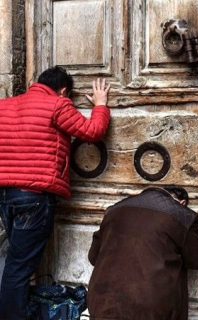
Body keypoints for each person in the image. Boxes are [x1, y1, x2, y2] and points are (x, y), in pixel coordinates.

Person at [0, 65, 111, 319]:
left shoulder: (4, 106)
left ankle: (20, 309)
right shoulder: (57, 105)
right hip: (35, 198)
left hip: (7, 196)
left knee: (18, 263)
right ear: (63, 91)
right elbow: (93, 132)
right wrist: (101, 104)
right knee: (19, 267)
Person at [87, 187, 198, 320]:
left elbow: (93, 257)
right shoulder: (180, 214)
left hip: (103, 303)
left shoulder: (115, 210)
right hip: (150, 309)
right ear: (182, 203)